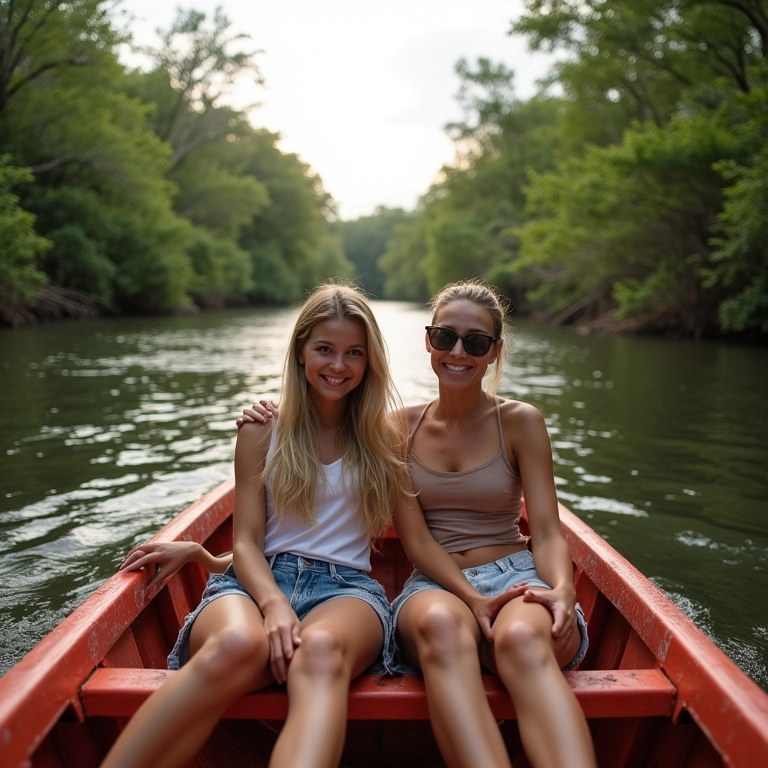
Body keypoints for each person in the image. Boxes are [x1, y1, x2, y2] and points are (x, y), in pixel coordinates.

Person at [240, 279, 597, 768]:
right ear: (429, 341)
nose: (458, 352)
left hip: (515, 575)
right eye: (445, 337)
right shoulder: (395, 428)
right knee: (441, 627)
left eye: (476, 342)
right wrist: (273, 411)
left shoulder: (521, 421)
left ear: (494, 352)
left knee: (520, 640)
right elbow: (414, 539)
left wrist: (562, 590)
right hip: (434, 583)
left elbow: (549, 532)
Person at [102, 283, 410, 768]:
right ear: (300, 351)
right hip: (254, 581)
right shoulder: (262, 429)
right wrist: (272, 604)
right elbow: (248, 541)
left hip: (347, 590)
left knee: (319, 652)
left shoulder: (386, 436)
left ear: (369, 360)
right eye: (324, 349)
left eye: (354, 352)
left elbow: (455, 419)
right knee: (236, 645)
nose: (338, 365)